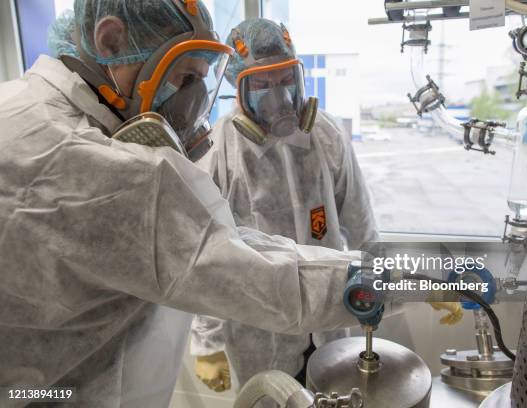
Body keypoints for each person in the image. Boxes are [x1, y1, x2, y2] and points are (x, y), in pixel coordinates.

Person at [0, 2, 367, 407]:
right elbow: (239, 267)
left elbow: (221, 248)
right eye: (185, 77)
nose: (192, 100)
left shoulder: (19, 108)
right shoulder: (95, 165)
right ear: (110, 41)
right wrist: (409, 276)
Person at [189, 19, 379, 395]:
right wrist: (207, 344)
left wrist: (398, 281)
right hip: (260, 329)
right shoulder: (219, 154)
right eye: (261, 83)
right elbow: (204, 256)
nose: (277, 95)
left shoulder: (326, 136)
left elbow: (362, 226)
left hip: (328, 318)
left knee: (335, 397)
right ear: (238, 89)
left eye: (284, 79)